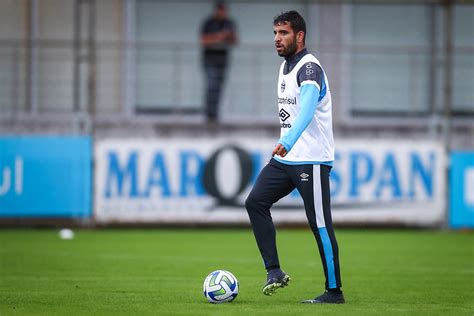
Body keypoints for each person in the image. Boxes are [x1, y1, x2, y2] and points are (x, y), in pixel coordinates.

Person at [245, 11, 344, 304]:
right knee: (255, 202)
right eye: (275, 33)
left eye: (283, 33)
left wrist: (286, 140)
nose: (277, 39)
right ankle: (274, 271)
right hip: (287, 159)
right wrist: (287, 146)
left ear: (299, 36)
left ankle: (334, 291)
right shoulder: (285, 66)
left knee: (320, 224)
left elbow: (307, 110)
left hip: (311, 159)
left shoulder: (309, 68)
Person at [200, 1, 238, 123]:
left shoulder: (229, 23)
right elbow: (203, 41)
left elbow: (235, 41)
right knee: (211, 85)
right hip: (209, 59)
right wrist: (219, 37)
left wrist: (228, 36)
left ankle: (215, 114)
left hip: (223, 60)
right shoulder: (208, 23)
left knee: (219, 87)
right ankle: (209, 115)